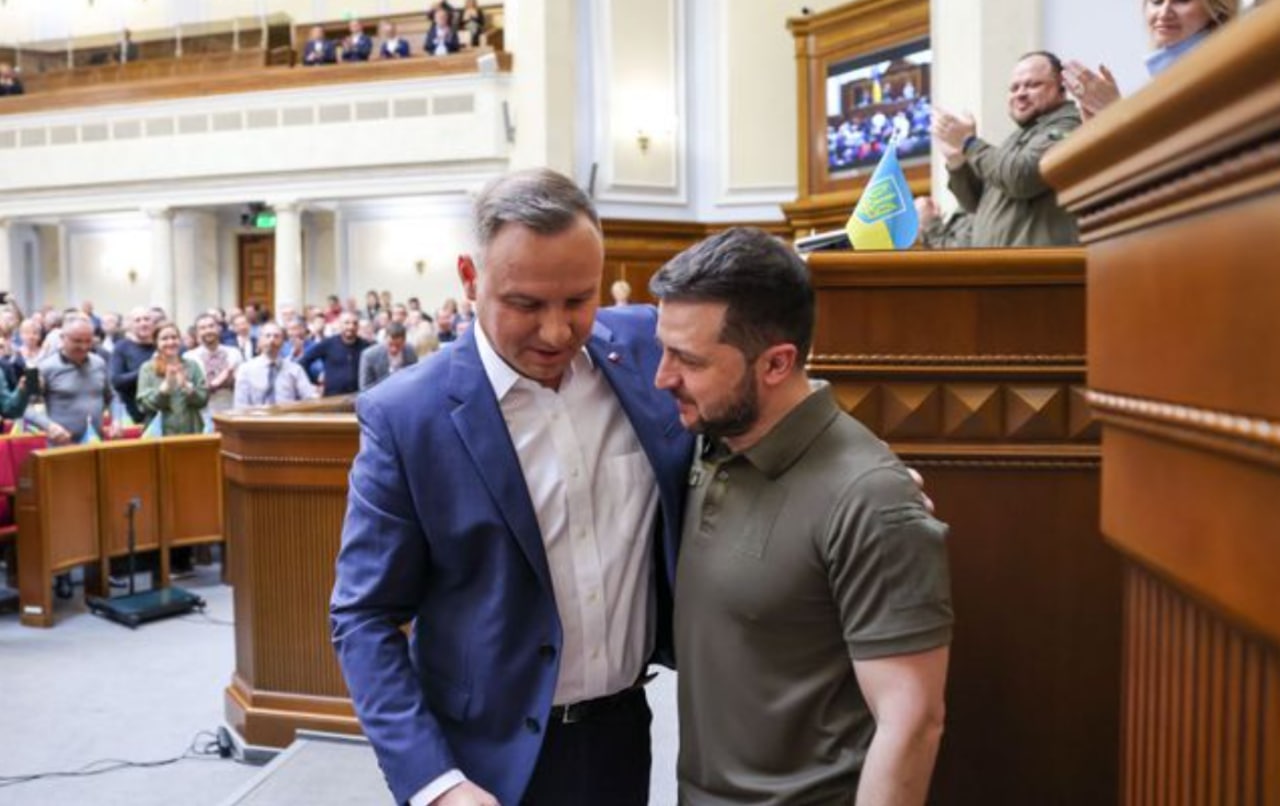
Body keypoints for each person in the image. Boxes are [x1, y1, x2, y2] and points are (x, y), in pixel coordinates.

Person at [330, 168, 693, 806]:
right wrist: (435, 784)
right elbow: (363, 618)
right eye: (525, 304)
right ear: (470, 278)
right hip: (482, 761)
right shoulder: (407, 418)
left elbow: (750, 391)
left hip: (624, 734)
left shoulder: (645, 347)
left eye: (578, 301)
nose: (556, 332)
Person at [649, 227, 953, 805]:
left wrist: (883, 500)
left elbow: (912, 723)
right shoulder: (707, 434)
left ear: (776, 364)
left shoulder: (872, 498)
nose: (661, 377)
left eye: (687, 359)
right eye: (662, 348)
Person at [932, 51, 1081, 247]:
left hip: (1039, 264)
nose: (1020, 94)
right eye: (1014, 88)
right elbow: (974, 203)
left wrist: (969, 143)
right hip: (1002, 263)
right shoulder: (1018, 136)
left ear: (1061, 87)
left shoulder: (1070, 124)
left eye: (1033, 85)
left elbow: (1021, 177)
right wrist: (958, 160)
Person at [1064, 0, 1236, 120]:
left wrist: (1115, 111)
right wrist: (1100, 124)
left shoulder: (1225, 65)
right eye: (1157, 1)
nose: (1164, 13)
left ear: (1216, 8)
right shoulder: (1164, 70)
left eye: (1182, 0)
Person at [27, 316, 113, 445]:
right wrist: (48, 426)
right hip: (61, 447)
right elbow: (24, 406)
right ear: (62, 338)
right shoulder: (44, 367)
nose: (83, 346)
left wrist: (117, 420)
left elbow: (112, 397)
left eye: (88, 341)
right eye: (77, 341)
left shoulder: (99, 363)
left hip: (95, 443)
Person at [137, 322, 208, 436]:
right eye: (164, 339)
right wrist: (163, 391)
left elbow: (203, 400)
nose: (170, 342)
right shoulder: (147, 368)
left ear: (180, 340)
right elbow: (144, 406)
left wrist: (188, 388)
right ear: (156, 342)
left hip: (192, 433)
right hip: (159, 435)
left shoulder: (192, 366)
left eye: (174, 337)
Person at [233, 322, 318, 408]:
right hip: (257, 415)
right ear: (259, 341)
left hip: (288, 415)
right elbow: (240, 405)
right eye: (267, 336)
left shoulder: (295, 369)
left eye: (276, 336)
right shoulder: (246, 369)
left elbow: (309, 398)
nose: (272, 340)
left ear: (283, 343)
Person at [184, 313, 243, 417]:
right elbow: (190, 390)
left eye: (211, 326)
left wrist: (231, 380)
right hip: (202, 414)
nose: (208, 330)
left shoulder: (234, 353)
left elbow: (243, 385)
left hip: (231, 412)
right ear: (197, 333)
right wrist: (217, 382)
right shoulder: (189, 357)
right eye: (203, 328)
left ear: (219, 328)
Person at [300, 312, 371, 396]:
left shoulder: (366, 346)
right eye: (347, 323)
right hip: (332, 398)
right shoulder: (328, 344)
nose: (351, 327)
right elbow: (303, 362)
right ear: (340, 325)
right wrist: (315, 380)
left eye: (355, 323)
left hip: (359, 396)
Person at [109, 307, 157, 425]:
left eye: (147, 319)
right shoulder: (122, 347)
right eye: (137, 320)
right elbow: (116, 381)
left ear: (153, 323)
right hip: (133, 416)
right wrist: (146, 370)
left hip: (160, 412)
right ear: (130, 325)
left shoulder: (161, 345)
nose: (143, 323)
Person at [358, 321, 417, 391]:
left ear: (404, 341)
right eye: (390, 344)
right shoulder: (369, 356)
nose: (394, 349)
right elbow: (365, 387)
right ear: (384, 339)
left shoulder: (410, 350)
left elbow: (414, 375)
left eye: (398, 345)